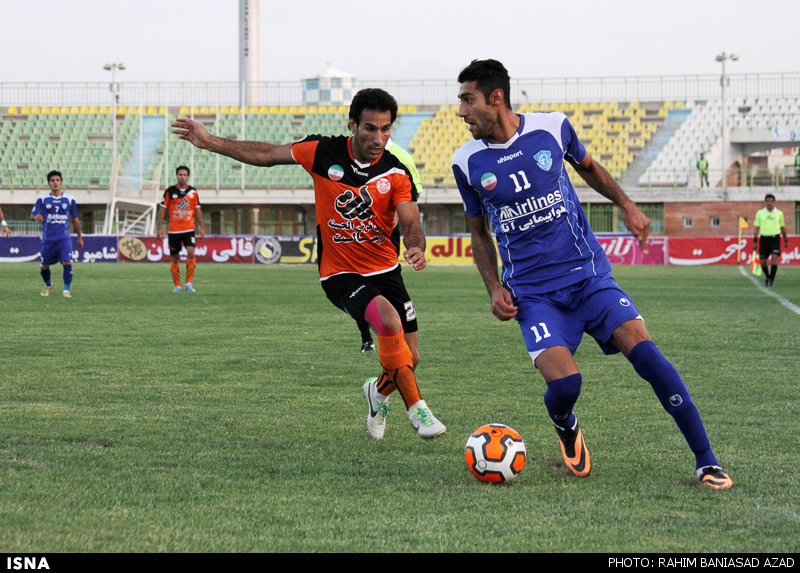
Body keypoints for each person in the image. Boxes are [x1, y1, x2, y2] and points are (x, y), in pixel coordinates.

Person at [451, 59, 732, 489]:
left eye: (468, 100)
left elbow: (589, 168)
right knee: (566, 386)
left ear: (496, 98)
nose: (461, 112)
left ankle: (706, 460)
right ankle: (565, 421)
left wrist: (628, 205)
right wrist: (493, 288)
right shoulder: (466, 161)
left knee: (647, 354)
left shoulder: (551, 128)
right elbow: (478, 233)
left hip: (588, 278)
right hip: (533, 295)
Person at [172, 88, 446, 441]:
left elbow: (411, 221)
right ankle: (418, 409)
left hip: (385, 270)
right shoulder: (322, 151)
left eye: (385, 129)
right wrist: (210, 142)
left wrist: (416, 246)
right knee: (389, 321)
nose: (378, 138)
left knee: (409, 358)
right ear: (352, 125)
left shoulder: (396, 172)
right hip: (340, 273)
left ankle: (376, 393)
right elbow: (267, 154)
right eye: (369, 129)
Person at [355, 137, 424, 355]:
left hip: (385, 237)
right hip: (354, 235)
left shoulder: (402, 157)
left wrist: (396, 210)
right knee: (358, 288)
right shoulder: (353, 154)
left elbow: (414, 192)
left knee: (386, 287)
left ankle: (395, 344)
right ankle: (367, 338)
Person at [30, 170, 84, 297]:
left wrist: (79, 237)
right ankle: (48, 285)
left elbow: (75, 219)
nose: (55, 183)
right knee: (44, 267)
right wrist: (35, 217)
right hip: (48, 239)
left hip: (64, 239)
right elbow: (32, 215)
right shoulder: (42, 199)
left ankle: (66, 289)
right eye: (52, 181)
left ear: (61, 182)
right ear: (49, 183)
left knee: (67, 262)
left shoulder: (69, 199)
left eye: (57, 180)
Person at [156, 165, 205, 293]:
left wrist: (202, 227)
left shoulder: (193, 192)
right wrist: (159, 227)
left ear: (187, 177)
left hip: (189, 229)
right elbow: (162, 209)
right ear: (177, 176)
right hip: (173, 230)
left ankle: (188, 283)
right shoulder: (170, 191)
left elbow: (198, 210)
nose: (182, 177)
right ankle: (177, 285)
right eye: (180, 175)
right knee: (175, 257)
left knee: (191, 252)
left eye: (184, 175)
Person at [753, 193, 789, 287]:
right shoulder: (760, 213)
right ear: (765, 202)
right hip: (764, 239)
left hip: (775, 238)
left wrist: (785, 239)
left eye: (771, 201)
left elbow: (782, 227)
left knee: (774, 259)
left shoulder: (779, 213)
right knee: (763, 262)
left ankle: (771, 280)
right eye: (767, 201)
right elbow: (757, 228)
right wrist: (755, 241)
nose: (769, 203)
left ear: (774, 202)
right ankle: (768, 277)